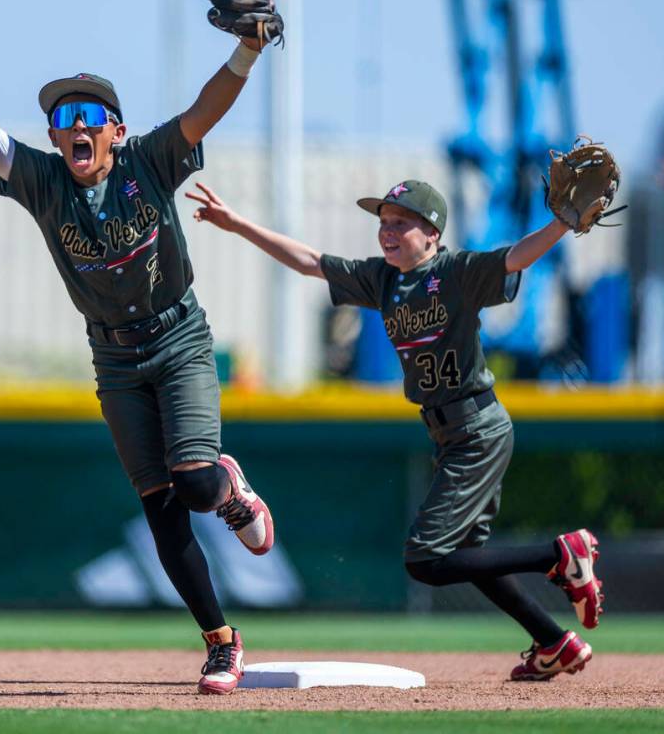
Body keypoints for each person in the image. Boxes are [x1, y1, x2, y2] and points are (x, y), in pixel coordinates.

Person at [0, 13, 276, 694]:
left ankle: (230, 489)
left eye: (90, 113)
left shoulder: (148, 161)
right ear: (55, 137)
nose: (76, 125)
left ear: (115, 128)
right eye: (63, 117)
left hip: (177, 338)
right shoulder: (44, 180)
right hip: (113, 358)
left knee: (196, 482)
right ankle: (221, 641)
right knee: (158, 505)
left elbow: (204, 111)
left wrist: (246, 49)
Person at [187, 178, 605, 680]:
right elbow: (309, 261)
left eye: (400, 223)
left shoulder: (456, 270)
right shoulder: (383, 280)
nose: (387, 232)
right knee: (465, 555)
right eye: (383, 223)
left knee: (425, 559)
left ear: (432, 232)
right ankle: (553, 641)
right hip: (450, 434)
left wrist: (561, 222)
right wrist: (237, 225)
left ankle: (559, 555)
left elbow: (516, 257)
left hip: (477, 427)